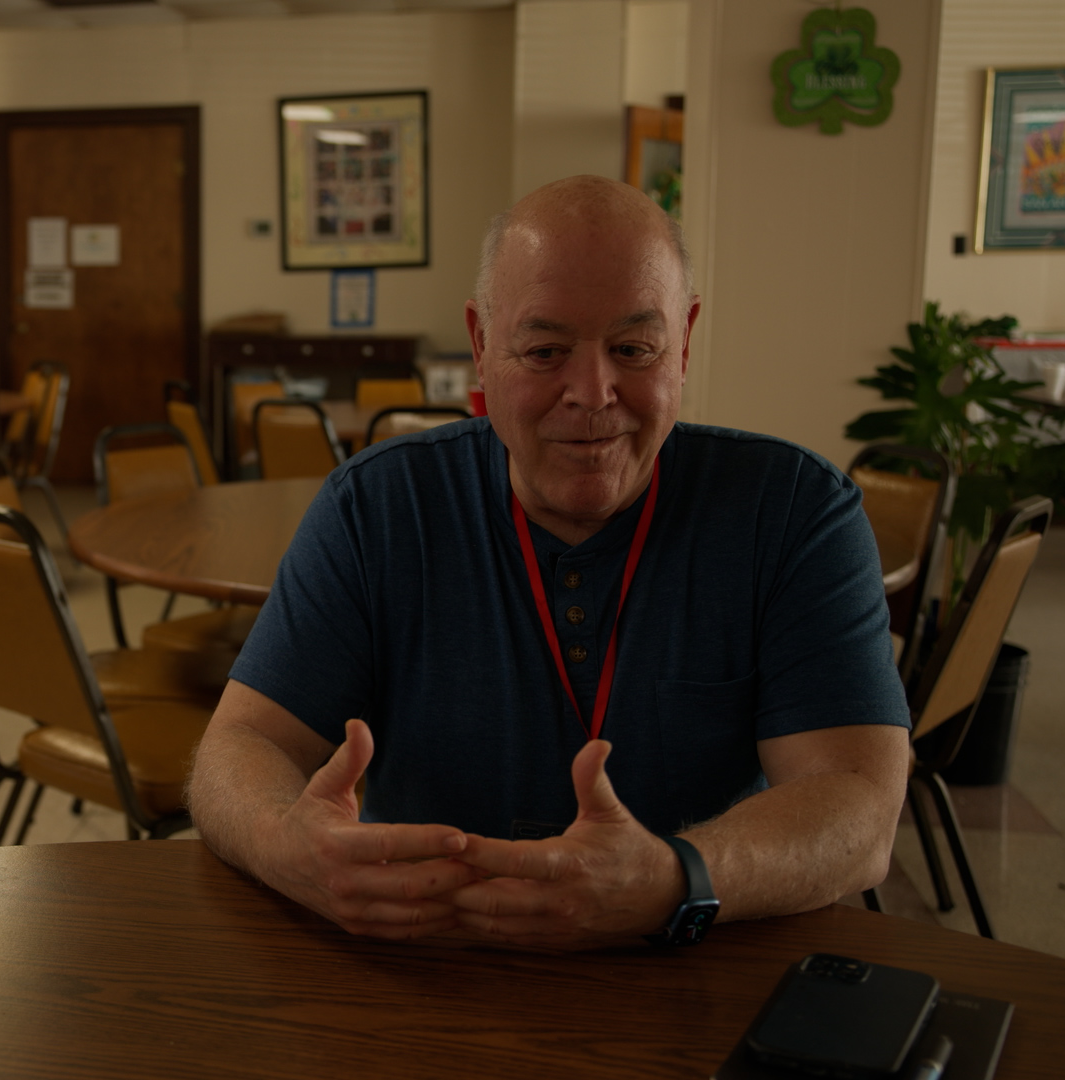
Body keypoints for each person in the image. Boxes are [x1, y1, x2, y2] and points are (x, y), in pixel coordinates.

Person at [186, 175, 910, 950]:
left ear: (686, 341)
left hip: (698, 954)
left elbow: (856, 808)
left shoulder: (796, 511)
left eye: (634, 349)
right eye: (544, 351)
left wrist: (673, 878)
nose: (592, 393)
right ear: (482, 346)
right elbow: (239, 746)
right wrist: (286, 846)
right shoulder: (379, 509)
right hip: (425, 959)